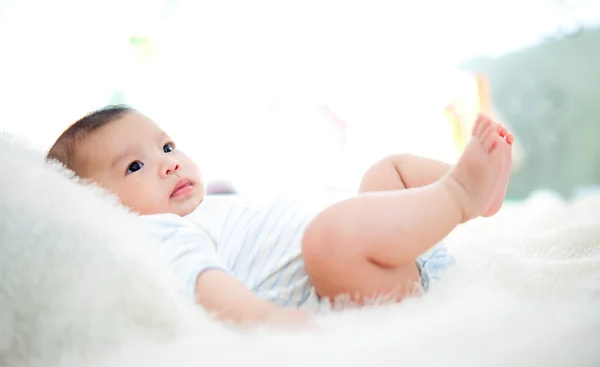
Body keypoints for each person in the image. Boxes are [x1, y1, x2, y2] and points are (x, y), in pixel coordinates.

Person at [46, 105, 513, 325]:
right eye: (134, 166)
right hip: (356, 288)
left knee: (383, 172)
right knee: (329, 237)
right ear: (100, 211)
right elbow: (203, 281)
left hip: (394, 252)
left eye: (167, 146)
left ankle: (476, 195)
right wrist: (268, 321)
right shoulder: (155, 232)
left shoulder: (210, 209)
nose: (168, 161)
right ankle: (458, 195)